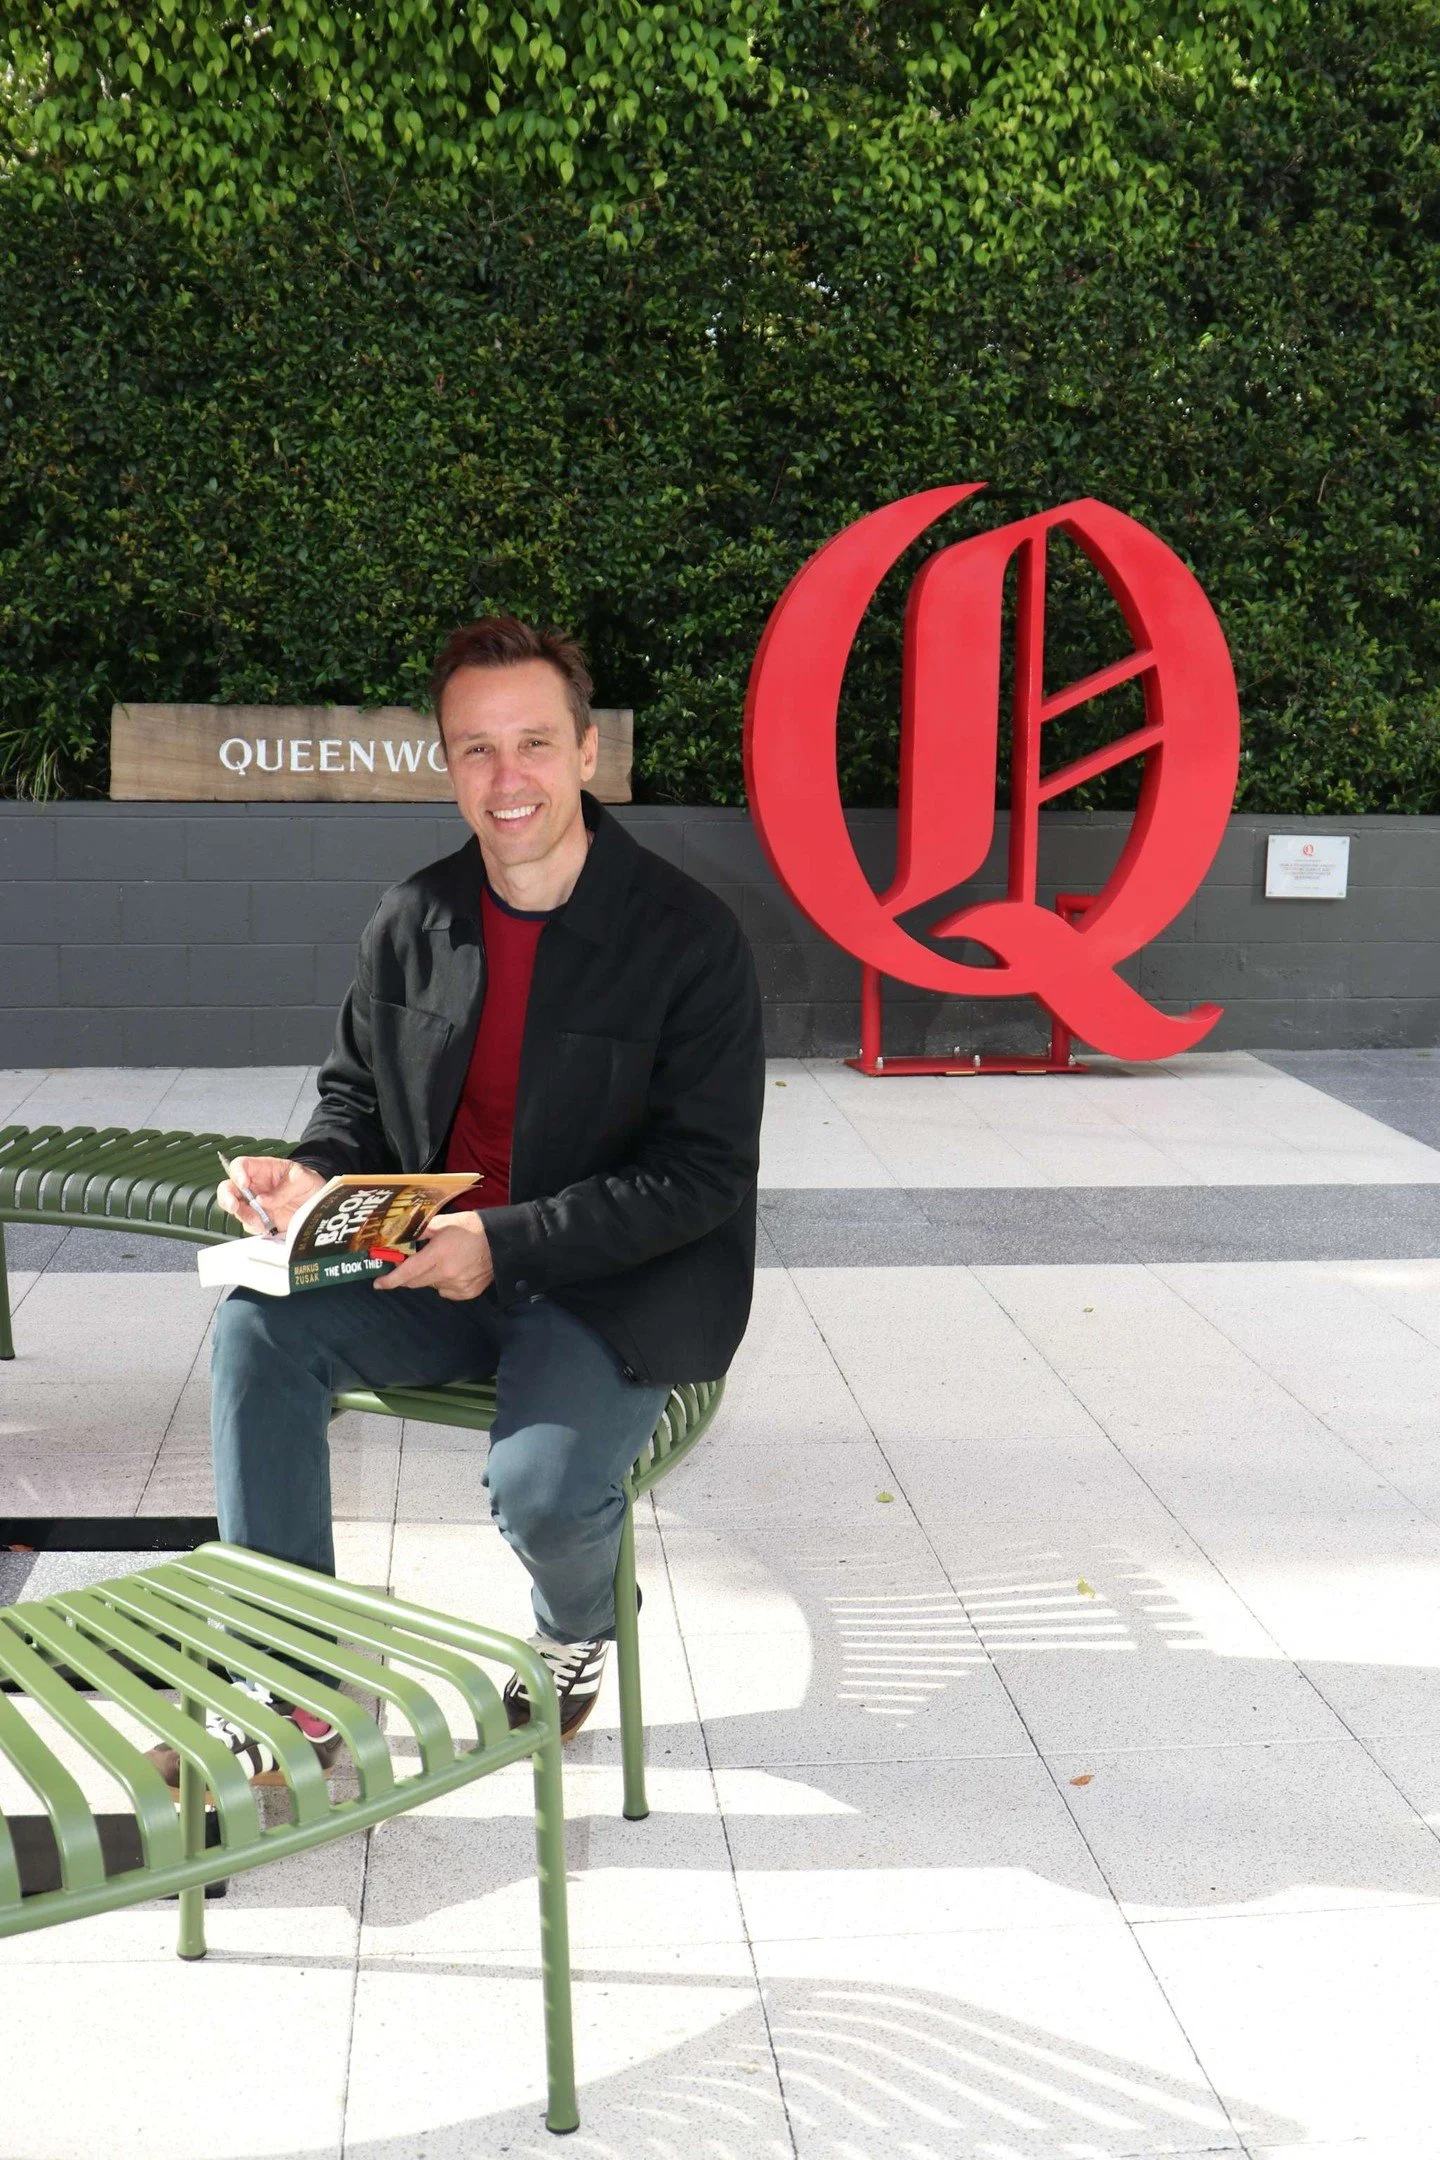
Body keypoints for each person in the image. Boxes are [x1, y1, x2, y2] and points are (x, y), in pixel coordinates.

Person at [148, 617, 763, 1787]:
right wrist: (311, 1174)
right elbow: (352, 1099)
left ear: (589, 754)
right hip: (431, 1262)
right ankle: (292, 1686)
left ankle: (579, 1629)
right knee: (257, 1334)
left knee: (542, 1496)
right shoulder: (413, 919)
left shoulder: (690, 940)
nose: (505, 777)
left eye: (532, 743)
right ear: (447, 765)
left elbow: (703, 1176)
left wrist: (509, 1238)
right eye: (475, 749)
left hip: (610, 1279)